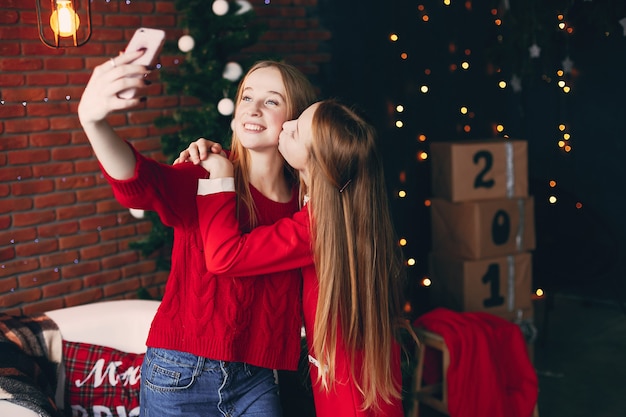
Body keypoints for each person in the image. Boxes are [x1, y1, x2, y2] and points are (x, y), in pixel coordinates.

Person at [77, 49, 317, 417]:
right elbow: (141, 183)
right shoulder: (206, 175)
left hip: (257, 379)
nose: (253, 109)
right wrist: (94, 122)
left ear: (294, 121)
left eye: (272, 101)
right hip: (180, 374)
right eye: (247, 97)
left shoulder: (307, 203)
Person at [186, 99, 412, 416]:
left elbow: (225, 256)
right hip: (359, 372)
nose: (285, 125)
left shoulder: (316, 227)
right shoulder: (346, 208)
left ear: (317, 162)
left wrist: (221, 177)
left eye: (295, 132)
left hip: (348, 391)